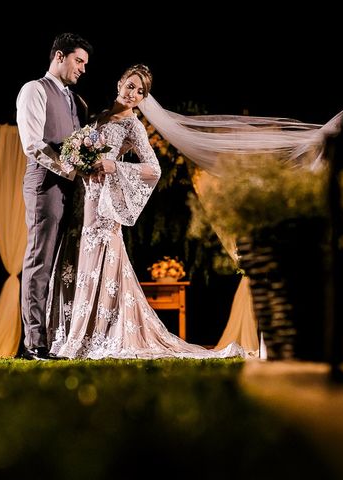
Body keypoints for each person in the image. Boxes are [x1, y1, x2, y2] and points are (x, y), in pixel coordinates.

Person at [47, 64, 245, 359]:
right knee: (77, 259)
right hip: (83, 200)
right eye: (131, 86)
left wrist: (114, 165)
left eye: (141, 92)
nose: (134, 94)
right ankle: (72, 333)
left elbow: (153, 169)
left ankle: (95, 335)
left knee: (100, 262)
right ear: (119, 83)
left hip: (105, 208)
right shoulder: (97, 116)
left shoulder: (133, 125)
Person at [16, 33, 93, 360]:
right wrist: (71, 170)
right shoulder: (34, 89)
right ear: (59, 56)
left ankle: (58, 338)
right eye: (79, 61)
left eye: (86, 64)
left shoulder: (78, 102)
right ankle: (34, 342)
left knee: (63, 264)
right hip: (45, 183)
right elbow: (33, 143)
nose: (83, 69)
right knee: (40, 260)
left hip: (71, 188)